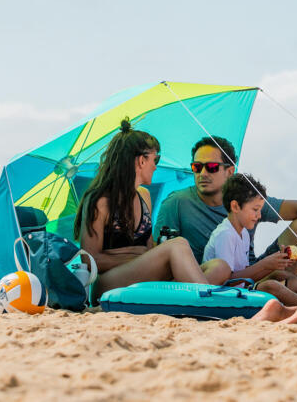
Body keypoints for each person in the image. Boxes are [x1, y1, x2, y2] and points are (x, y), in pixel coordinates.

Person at [155, 136, 297, 297]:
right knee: (293, 284)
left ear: (230, 171)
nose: (203, 173)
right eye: (197, 167)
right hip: (218, 280)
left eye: (212, 167)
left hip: (254, 272)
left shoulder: (246, 200)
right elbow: (159, 253)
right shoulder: (176, 203)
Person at [73, 119, 231, 301]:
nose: (156, 166)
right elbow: (89, 260)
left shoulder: (143, 196)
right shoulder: (101, 201)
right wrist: (136, 255)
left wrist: (141, 253)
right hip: (108, 284)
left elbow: (148, 250)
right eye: (155, 159)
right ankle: (205, 301)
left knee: (220, 267)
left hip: (142, 279)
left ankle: (182, 299)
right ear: (141, 160)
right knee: (178, 245)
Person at [202, 173, 297, 305]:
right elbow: (227, 280)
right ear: (235, 207)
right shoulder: (225, 235)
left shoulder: (244, 233)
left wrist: (276, 263)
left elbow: (243, 271)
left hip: (243, 287)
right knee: (274, 286)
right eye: (255, 210)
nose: (259, 216)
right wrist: (265, 265)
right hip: (228, 294)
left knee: (285, 275)